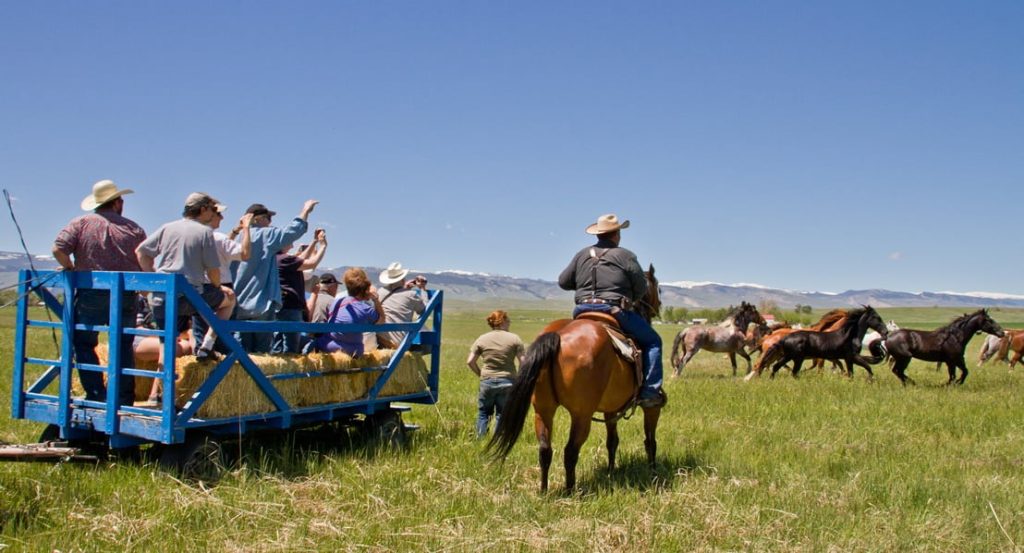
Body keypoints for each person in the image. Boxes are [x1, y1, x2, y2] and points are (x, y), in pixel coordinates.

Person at [52, 179, 146, 405]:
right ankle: (124, 398)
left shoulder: (81, 223)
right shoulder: (134, 228)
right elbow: (145, 259)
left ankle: (96, 393)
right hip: (125, 294)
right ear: (117, 203)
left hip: (91, 292)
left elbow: (58, 248)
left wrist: (70, 268)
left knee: (83, 342)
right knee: (123, 346)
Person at [558, 213, 666, 408]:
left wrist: (584, 286)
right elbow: (641, 287)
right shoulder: (625, 255)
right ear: (616, 234)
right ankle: (650, 392)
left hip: (581, 311)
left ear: (598, 234)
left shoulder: (581, 254)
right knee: (653, 342)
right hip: (613, 310)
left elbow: (563, 282)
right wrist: (628, 298)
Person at [135, 192, 235, 360]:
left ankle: (160, 387)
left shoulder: (167, 227)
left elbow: (141, 252)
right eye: (212, 209)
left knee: (166, 349)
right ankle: (208, 345)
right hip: (190, 298)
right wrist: (219, 287)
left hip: (162, 297)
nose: (213, 213)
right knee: (229, 299)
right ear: (203, 209)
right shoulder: (204, 232)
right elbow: (213, 271)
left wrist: (154, 281)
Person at [232, 200, 318, 353]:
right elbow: (292, 232)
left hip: (239, 305)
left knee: (242, 354)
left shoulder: (235, 239)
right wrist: (305, 211)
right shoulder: (265, 235)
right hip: (261, 303)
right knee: (262, 354)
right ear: (256, 219)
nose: (270, 222)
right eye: (268, 218)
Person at [466, 310, 525, 439]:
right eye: (508, 320)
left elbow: (470, 361)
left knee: (483, 413)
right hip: (508, 381)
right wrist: (518, 378)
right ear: (502, 321)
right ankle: (497, 441)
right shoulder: (514, 338)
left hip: (487, 380)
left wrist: (481, 374)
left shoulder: (482, 338)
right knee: (502, 414)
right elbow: (523, 362)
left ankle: (480, 440)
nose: (509, 323)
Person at [272, 230, 328, 353]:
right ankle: (288, 370)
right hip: (290, 306)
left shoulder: (277, 259)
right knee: (291, 344)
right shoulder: (285, 260)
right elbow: (312, 264)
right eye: (290, 243)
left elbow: (299, 258)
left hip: (280, 304)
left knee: (277, 341)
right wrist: (323, 246)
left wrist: (313, 242)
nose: (292, 246)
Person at [311, 268, 384, 357]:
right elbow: (381, 321)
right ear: (365, 287)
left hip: (329, 347)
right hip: (353, 352)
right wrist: (375, 299)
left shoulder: (336, 302)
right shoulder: (366, 309)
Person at [375, 262, 427, 350]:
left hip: (379, 340)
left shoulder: (380, 292)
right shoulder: (411, 294)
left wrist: (405, 288)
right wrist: (423, 289)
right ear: (402, 278)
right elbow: (424, 309)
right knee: (426, 335)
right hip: (398, 343)